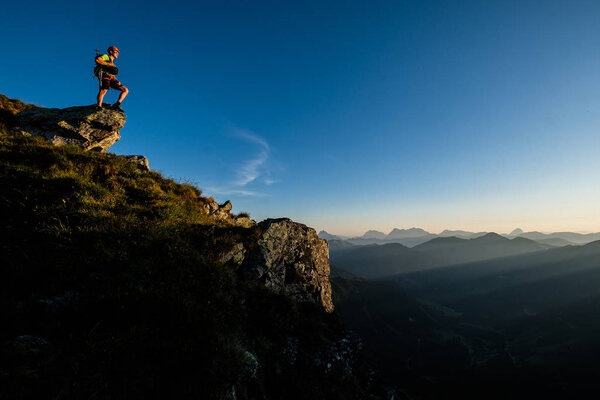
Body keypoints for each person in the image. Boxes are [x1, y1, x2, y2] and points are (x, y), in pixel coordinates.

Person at [95, 46, 129, 112]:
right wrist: (108, 64)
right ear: (111, 52)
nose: (117, 54)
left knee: (125, 90)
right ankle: (99, 106)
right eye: (116, 52)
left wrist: (116, 80)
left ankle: (117, 104)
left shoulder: (113, 64)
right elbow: (98, 60)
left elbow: (112, 74)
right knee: (104, 90)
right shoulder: (106, 56)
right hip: (103, 74)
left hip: (110, 77)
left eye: (118, 53)